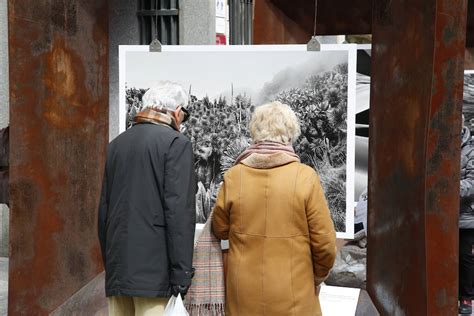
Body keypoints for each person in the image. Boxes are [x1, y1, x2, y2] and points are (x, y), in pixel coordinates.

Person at [212, 101, 337, 316]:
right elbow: (324, 245)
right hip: (294, 295)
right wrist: (317, 277)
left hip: (243, 294)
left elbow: (220, 228)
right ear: (290, 134)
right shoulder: (305, 177)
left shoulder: (234, 176)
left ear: (256, 133)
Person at [98, 81, 196, 316]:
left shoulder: (117, 145)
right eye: (186, 114)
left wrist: (111, 265)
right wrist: (182, 275)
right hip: (154, 275)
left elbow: (104, 212)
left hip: (118, 270)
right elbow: (179, 214)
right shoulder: (176, 143)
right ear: (177, 112)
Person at [459, 114, 474, 314]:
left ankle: (467, 298)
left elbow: (472, 183)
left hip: (467, 216)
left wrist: (447, 188)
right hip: (442, 216)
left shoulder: (471, 150)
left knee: (466, 258)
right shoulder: (440, 144)